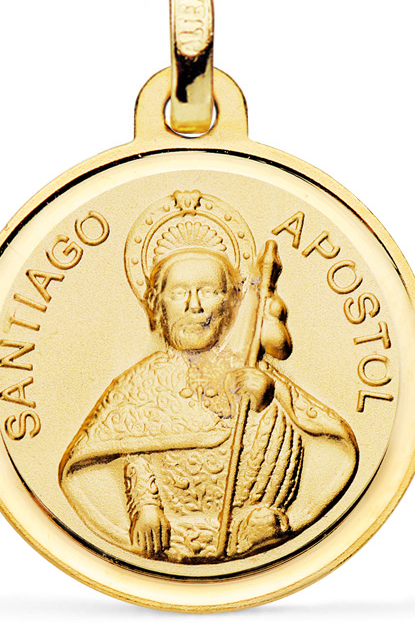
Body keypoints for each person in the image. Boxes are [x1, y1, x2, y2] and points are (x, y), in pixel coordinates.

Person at [59, 191, 358, 563]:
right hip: (172, 536)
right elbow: (125, 454)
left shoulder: (254, 371)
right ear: (156, 305)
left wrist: (269, 397)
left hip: (255, 529)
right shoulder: (137, 386)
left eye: (209, 291)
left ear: (231, 303)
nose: (194, 305)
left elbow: (325, 440)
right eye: (179, 293)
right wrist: (145, 506)